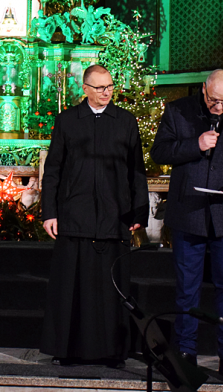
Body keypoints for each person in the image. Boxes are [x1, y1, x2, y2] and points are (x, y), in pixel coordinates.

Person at [149, 69, 223, 380]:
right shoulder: (178, 110)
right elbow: (159, 151)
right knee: (187, 290)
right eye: (214, 101)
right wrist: (195, 144)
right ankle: (185, 353)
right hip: (189, 213)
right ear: (204, 90)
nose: (219, 108)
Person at [40, 64, 149, 367]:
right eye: (100, 88)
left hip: (115, 218)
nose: (106, 93)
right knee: (71, 289)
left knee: (111, 290)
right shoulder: (67, 121)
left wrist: (139, 213)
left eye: (110, 87)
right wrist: (50, 212)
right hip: (76, 217)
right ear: (85, 88)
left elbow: (136, 171)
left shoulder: (125, 121)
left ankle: (113, 352)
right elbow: (53, 171)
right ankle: (68, 350)